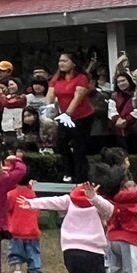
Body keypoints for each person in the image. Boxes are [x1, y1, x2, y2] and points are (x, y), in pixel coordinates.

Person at [50, 53, 95, 182]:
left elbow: (78, 97)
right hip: (64, 116)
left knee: (79, 148)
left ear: (73, 63)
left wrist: (67, 114)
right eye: (60, 61)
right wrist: (48, 111)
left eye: (65, 61)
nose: (61, 63)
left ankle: (82, 178)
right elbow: (50, 95)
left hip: (82, 116)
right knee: (60, 144)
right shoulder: (57, 78)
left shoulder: (81, 78)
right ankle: (69, 171)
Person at [5, 181, 41, 273]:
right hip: (32, 229)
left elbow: (8, 208)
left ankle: (17, 272)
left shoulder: (11, 194)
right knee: (33, 252)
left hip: (16, 229)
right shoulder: (32, 194)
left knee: (16, 252)